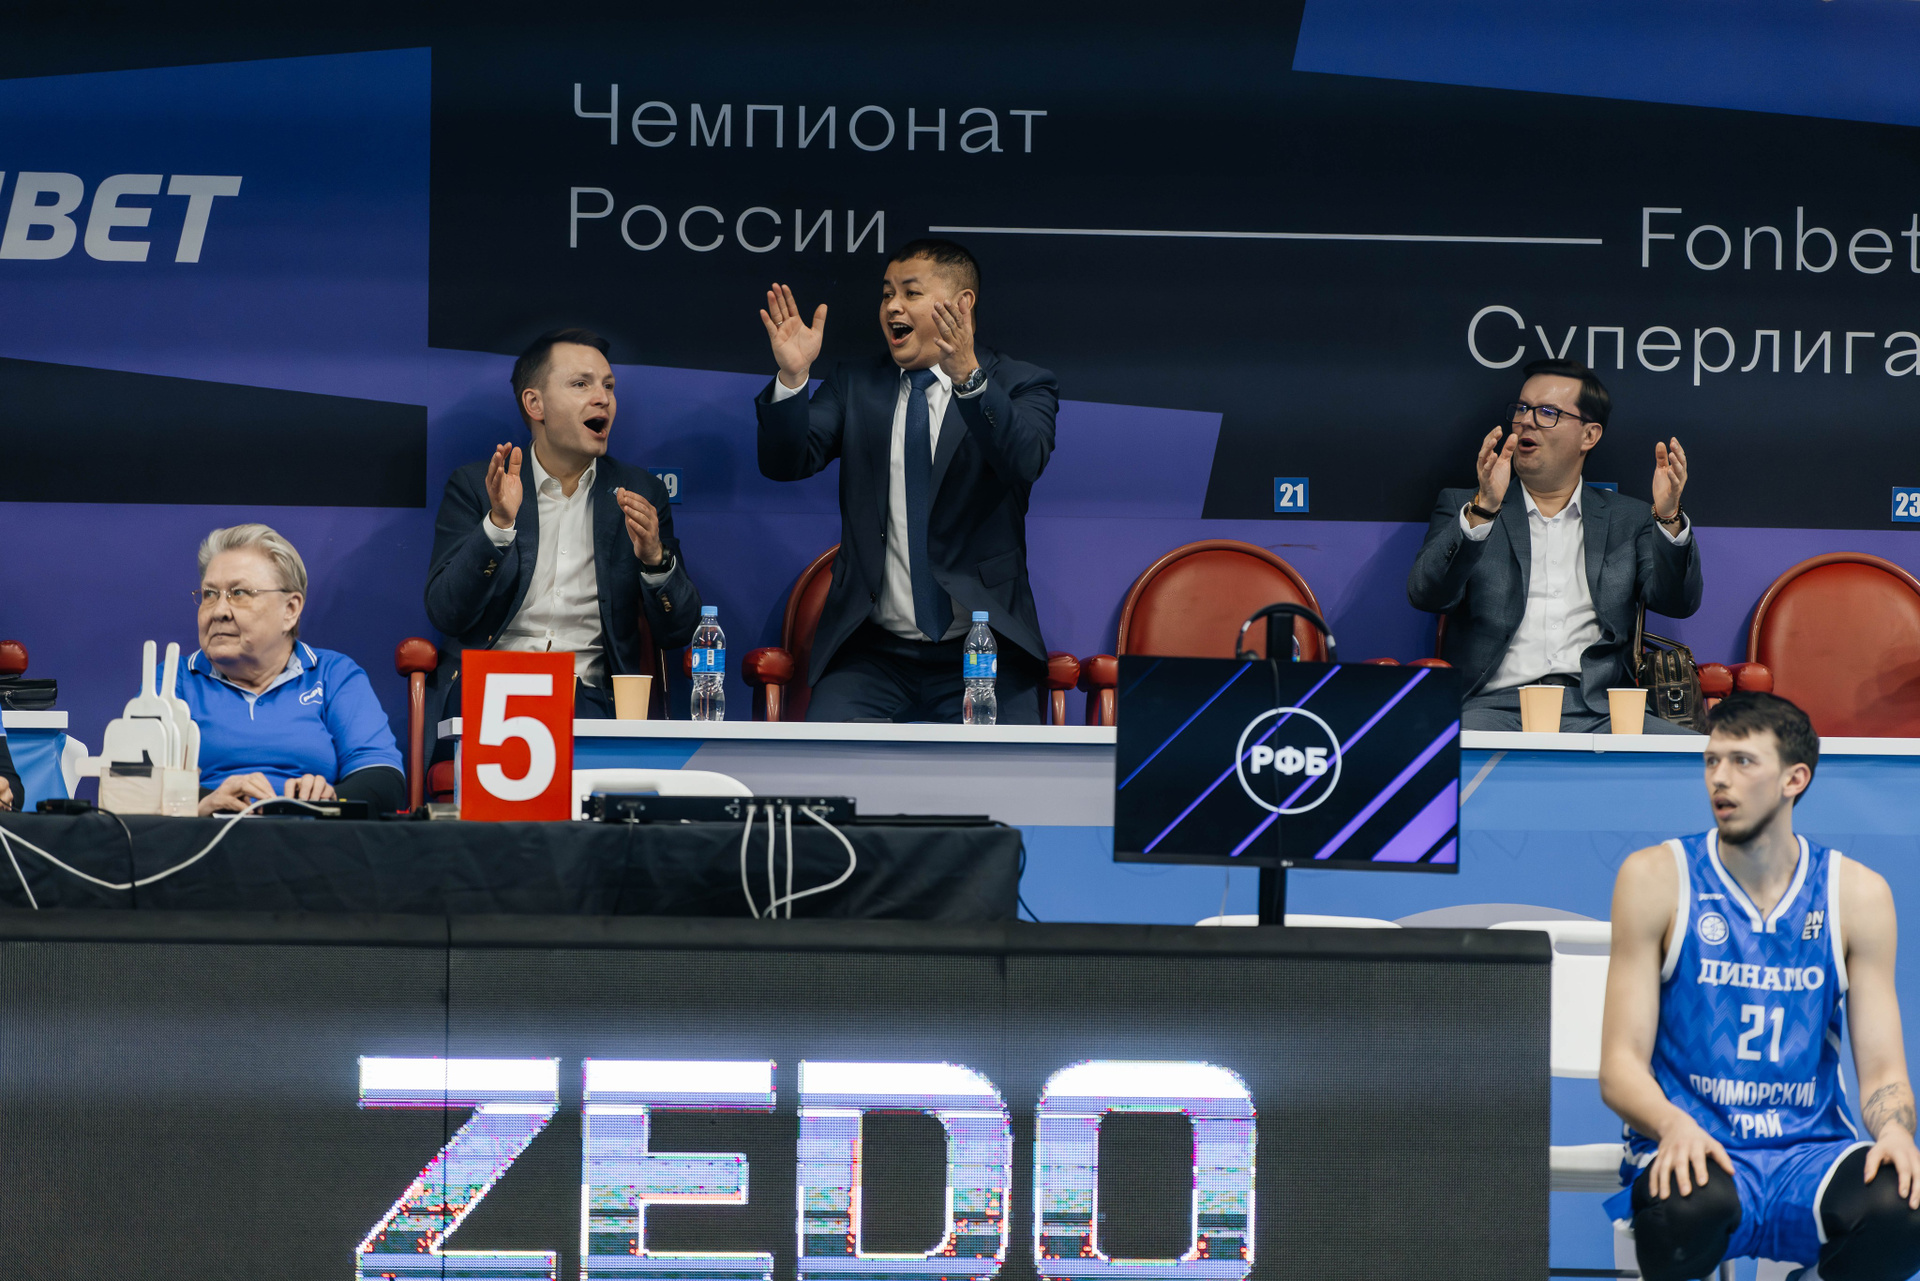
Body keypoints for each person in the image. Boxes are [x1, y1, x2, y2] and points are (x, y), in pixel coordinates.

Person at [1600, 693, 1920, 1281]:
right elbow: (1620, 1067)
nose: (1719, 779)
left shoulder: (1857, 894)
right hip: (1697, 1142)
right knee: (1682, 1212)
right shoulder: (1656, 878)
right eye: (1711, 761)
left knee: (1902, 1209)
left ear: (1794, 779)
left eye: (1742, 761)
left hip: (1810, 1154)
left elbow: (1882, 1072)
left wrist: (1897, 1131)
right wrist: (1672, 1125)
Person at [755, 239, 1058, 722]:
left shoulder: (1021, 383)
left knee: (1009, 768)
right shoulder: (855, 384)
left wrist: (970, 380)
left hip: (984, 650)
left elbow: (1024, 461)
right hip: (872, 653)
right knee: (823, 761)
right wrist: (793, 379)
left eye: (911, 293)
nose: (892, 307)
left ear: (963, 304)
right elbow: (785, 463)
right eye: (886, 294)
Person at [425, 328, 700, 735]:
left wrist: (655, 559)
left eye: (608, 386)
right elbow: (447, 612)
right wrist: (498, 526)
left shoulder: (640, 492)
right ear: (534, 403)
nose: (602, 398)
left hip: (588, 699)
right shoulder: (479, 487)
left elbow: (678, 631)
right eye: (581, 384)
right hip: (491, 692)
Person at [1407, 357, 1702, 732]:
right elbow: (1427, 595)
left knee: (1690, 755)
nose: (1526, 421)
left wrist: (1669, 516)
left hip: (1602, 710)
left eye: (1548, 412)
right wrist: (1483, 510)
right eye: (1522, 409)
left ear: (1589, 435)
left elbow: (1678, 602)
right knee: (1445, 749)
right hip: (1492, 707)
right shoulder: (1466, 505)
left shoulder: (1630, 519)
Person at [176, 525, 407, 815]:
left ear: (290, 609)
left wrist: (326, 799)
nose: (219, 610)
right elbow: (137, 781)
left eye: (239, 593)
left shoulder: (333, 675)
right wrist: (204, 802)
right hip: (206, 835)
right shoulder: (173, 680)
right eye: (210, 594)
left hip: (311, 837)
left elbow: (383, 779)